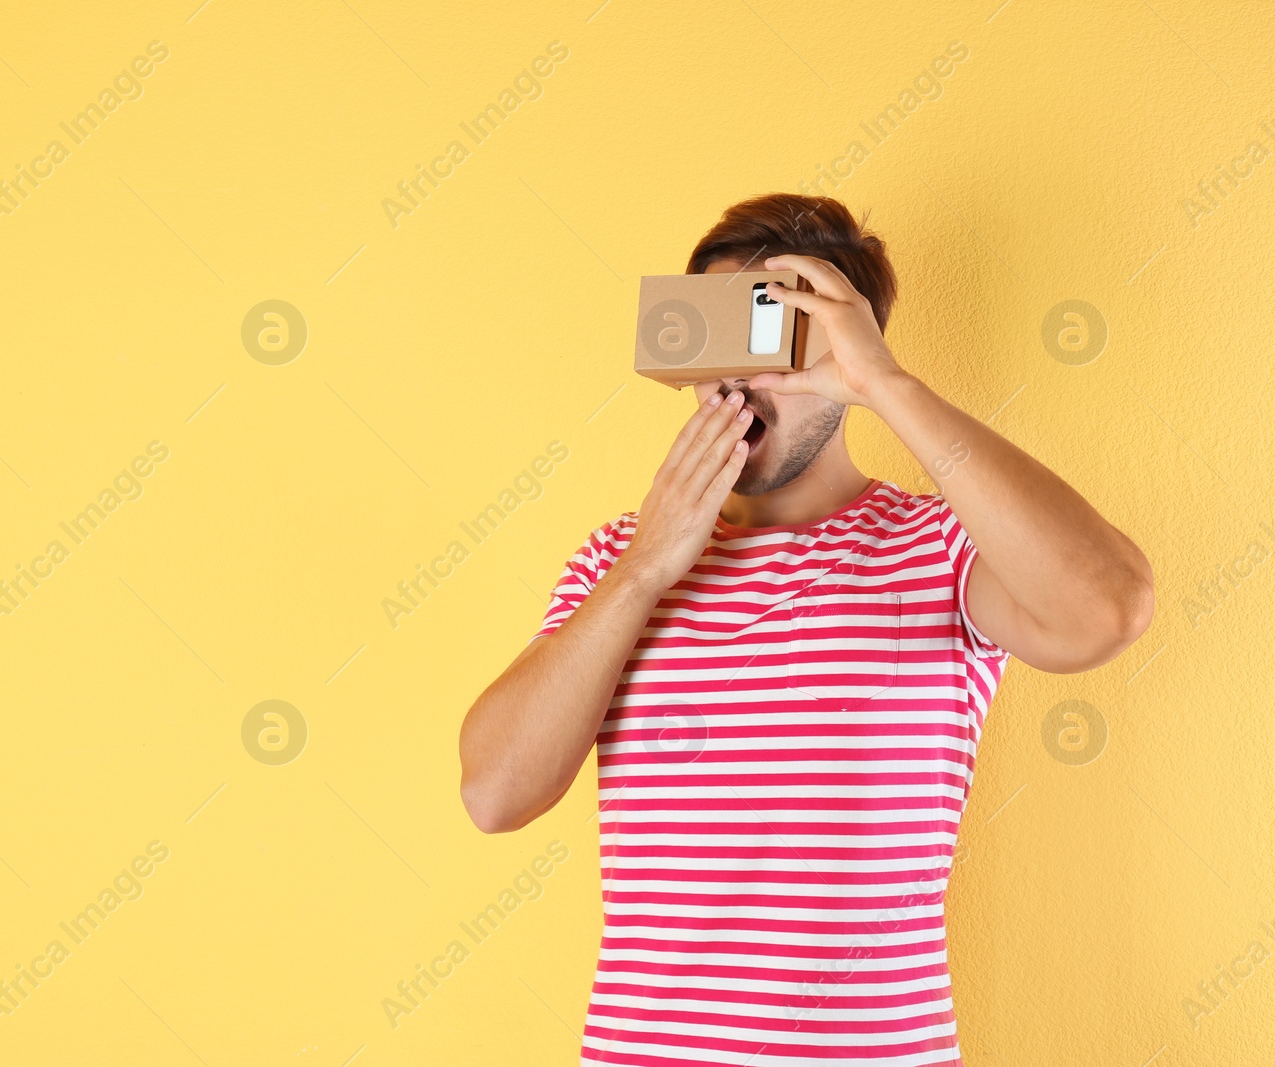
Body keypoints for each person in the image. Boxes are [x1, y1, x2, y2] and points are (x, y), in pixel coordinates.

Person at [457, 193, 1154, 1065]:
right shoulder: (618, 563)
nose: (737, 381)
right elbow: (495, 793)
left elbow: (1108, 608)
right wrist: (645, 569)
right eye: (717, 339)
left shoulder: (939, 548)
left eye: (775, 336)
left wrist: (890, 387)